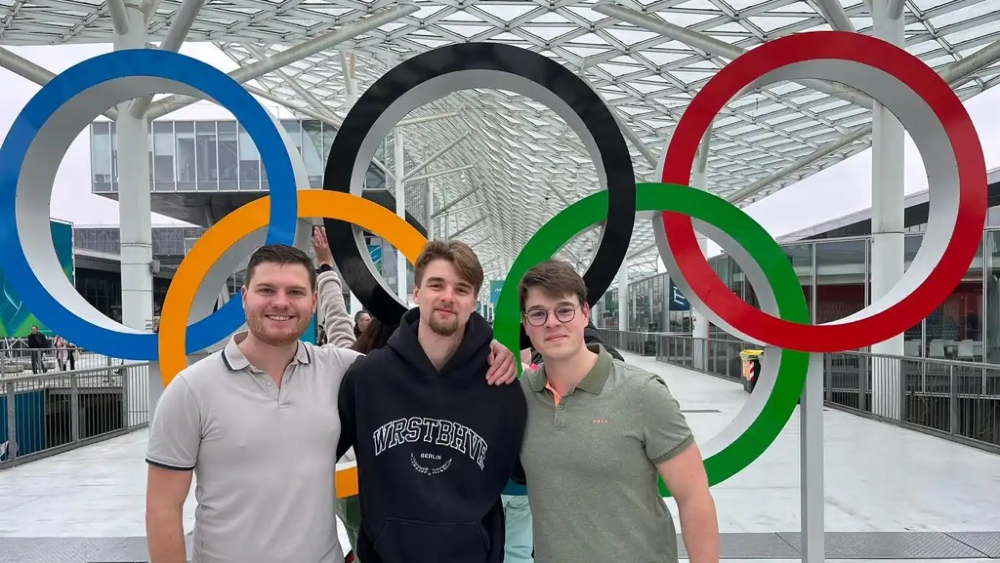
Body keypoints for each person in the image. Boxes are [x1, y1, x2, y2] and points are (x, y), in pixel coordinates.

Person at [144, 229, 517, 563]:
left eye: (295, 292)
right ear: (244, 297)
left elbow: (419, 362)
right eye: (266, 290)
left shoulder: (342, 370)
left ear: (312, 302)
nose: (281, 303)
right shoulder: (192, 390)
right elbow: (163, 508)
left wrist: (489, 349)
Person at [514, 259, 720, 563]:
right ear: (526, 324)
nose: (552, 322)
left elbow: (693, 497)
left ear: (585, 314)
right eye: (538, 314)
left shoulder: (643, 393)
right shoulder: (521, 396)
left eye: (564, 310)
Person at [337, 240, 528, 563]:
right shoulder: (369, 377)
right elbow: (316, 453)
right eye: (436, 285)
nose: (447, 297)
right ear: (417, 293)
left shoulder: (500, 384)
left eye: (461, 289)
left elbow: (528, 471)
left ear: (474, 301)